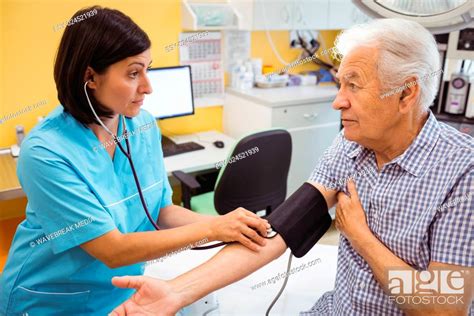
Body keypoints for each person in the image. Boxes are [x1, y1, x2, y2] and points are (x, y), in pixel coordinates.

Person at [111, 18, 473, 315]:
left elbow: (444, 306)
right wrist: (177, 292)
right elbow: (278, 232)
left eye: (353, 86)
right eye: (339, 84)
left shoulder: (463, 171)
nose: (338, 102)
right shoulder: (351, 147)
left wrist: (362, 239)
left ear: (406, 94)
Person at [0, 6, 270, 315]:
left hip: (123, 292)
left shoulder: (142, 126)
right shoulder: (45, 152)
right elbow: (112, 250)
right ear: (90, 76)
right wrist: (217, 229)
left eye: (147, 69)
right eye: (133, 73)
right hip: (50, 301)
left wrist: (235, 227)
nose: (148, 86)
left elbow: (163, 211)